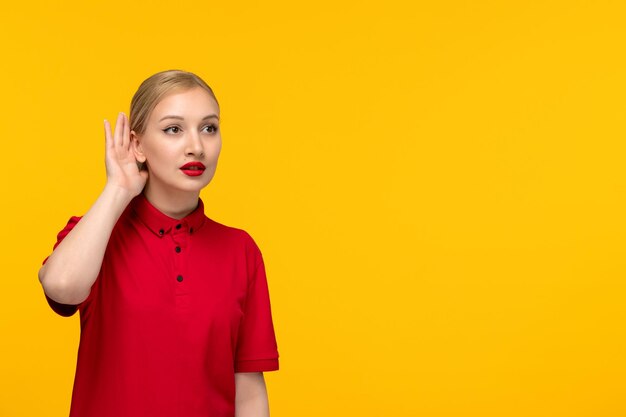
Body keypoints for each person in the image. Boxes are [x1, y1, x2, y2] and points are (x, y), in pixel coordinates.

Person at [38, 70, 280, 417]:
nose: (196, 146)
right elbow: (61, 287)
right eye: (174, 129)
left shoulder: (240, 250)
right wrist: (118, 188)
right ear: (137, 144)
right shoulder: (95, 234)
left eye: (209, 128)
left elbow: (249, 389)